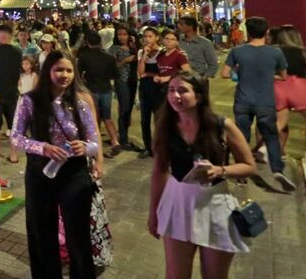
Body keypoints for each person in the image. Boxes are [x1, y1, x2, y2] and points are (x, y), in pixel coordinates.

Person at [149, 73, 256, 278]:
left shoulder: (222, 126)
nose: (175, 96)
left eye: (182, 90)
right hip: (178, 203)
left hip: (215, 204)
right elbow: (159, 171)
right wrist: (153, 213)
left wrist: (221, 170)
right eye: (171, 90)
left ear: (198, 96)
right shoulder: (165, 127)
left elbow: (250, 166)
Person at [12, 51, 99, 279]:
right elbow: (15, 137)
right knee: (41, 232)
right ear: (48, 71)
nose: (64, 75)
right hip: (41, 172)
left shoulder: (79, 103)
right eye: (59, 69)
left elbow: (94, 141)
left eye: (69, 70)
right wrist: (43, 148)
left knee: (78, 234)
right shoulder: (29, 101)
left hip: (74, 174)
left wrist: (85, 148)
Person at [220, 16, 295, 190]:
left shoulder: (237, 51)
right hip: (265, 101)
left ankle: (241, 174)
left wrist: (239, 73)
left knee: (242, 137)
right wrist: (269, 75)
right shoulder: (276, 52)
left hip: (243, 101)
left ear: (248, 31)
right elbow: (283, 76)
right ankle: (277, 169)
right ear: (266, 32)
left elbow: (224, 73)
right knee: (270, 136)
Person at [76, 30, 122, 157]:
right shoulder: (109, 57)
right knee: (107, 117)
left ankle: (96, 146)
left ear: (87, 42)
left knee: (94, 119)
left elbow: (79, 75)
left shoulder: (84, 57)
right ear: (100, 42)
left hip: (91, 90)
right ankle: (115, 140)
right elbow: (116, 75)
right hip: (106, 89)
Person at [0, 24, 22, 162]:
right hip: (12, 92)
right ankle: (14, 155)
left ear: (2, 35)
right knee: (13, 125)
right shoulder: (18, 51)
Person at [272, 24, 306, 155]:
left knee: (279, 124)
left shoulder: (273, 51)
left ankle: (268, 150)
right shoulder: (302, 52)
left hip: (278, 89)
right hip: (300, 88)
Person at [108, 26, 140, 151]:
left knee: (129, 108)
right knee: (124, 108)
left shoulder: (134, 47)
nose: (122, 37)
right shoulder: (114, 48)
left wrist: (134, 45)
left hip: (133, 79)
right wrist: (126, 60)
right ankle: (123, 138)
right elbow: (112, 66)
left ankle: (124, 135)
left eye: (124, 34)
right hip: (121, 80)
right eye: (119, 34)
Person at [137, 27, 164, 159]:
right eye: (145, 37)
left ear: (157, 37)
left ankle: (160, 148)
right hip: (145, 88)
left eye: (150, 36)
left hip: (159, 89)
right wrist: (144, 57)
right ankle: (148, 147)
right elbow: (140, 72)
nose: (147, 39)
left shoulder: (162, 52)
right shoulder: (141, 52)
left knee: (159, 120)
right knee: (144, 120)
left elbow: (163, 73)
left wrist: (149, 73)